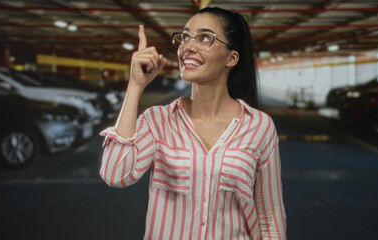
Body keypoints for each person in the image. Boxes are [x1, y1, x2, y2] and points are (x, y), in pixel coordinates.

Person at [99, 7, 286, 240]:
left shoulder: (259, 127)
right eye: (185, 37)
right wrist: (135, 86)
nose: (187, 46)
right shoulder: (158, 120)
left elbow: (270, 215)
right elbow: (116, 174)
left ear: (232, 58)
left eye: (205, 38)